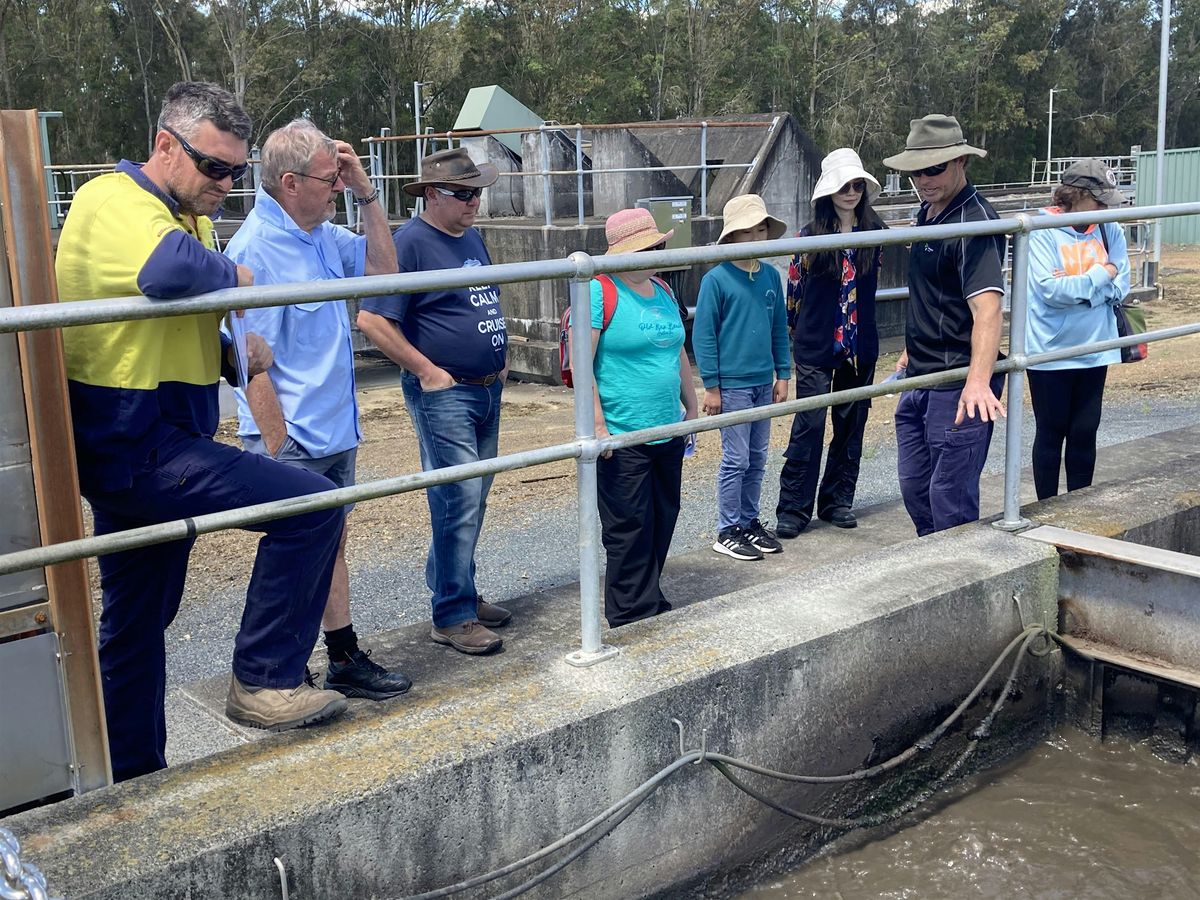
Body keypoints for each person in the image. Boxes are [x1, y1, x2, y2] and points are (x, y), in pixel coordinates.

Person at [55, 82, 347, 782]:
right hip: (137, 444)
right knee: (311, 506)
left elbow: (160, 313)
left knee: (137, 623)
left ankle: (132, 773)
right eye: (214, 168)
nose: (225, 185)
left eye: (236, 174)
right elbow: (166, 274)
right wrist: (240, 274)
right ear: (164, 146)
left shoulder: (192, 215)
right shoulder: (114, 199)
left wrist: (227, 351)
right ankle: (263, 679)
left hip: (160, 438)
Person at [223, 119, 410, 700]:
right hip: (294, 438)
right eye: (329, 179)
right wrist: (279, 451)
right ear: (289, 182)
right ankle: (277, 673)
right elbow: (250, 361)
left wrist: (367, 193)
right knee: (292, 552)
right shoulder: (255, 250)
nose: (336, 188)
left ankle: (341, 655)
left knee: (331, 546)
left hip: (334, 430)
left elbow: (386, 272)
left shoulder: (323, 234)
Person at [357, 148, 511, 655]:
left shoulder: (471, 237)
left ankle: (459, 592)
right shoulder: (409, 243)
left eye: (477, 192)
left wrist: (499, 356)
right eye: (463, 193)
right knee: (457, 498)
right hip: (447, 392)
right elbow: (374, 319)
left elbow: (482, 297)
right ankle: (451, 614)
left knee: (472, 496)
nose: (474, 202)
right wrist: (427, 371)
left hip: (486, 386)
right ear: (430, 194)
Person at [882, 114, 1007, 537]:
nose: (924, 179)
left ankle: (962, 584)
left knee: (949, 498)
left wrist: (978, 382)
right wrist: (911, 347)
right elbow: (933, 292)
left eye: (934, 168)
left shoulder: (974, 222)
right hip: (920, 374)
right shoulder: (929, 211)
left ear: (960, 163)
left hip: (957, 381)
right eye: (916, 170)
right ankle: (939, 569)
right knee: (915, 487)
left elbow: (988, 310)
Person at [590, 208, 699, 625]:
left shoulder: (665, 291)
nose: (654, 253)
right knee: (628, 525)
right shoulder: (599, 292)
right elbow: (584, 364)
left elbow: (677, 354)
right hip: (623, 430)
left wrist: (691, 404)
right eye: (645, 247)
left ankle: (648, 596)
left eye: (658, 245)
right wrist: (598, 426)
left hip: (667, 426)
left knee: (662, 516)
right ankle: (627, 611)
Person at [776, 149, 886, 538]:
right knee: (809, 424)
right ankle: (793, 507)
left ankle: (838, 500)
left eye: (857, 185)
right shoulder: (808, 237)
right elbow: (795, 290)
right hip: (816, 342)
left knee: (851, 422)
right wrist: (794, 336)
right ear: (829, 190)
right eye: (844, 185)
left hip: (860, 345)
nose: (851, 192)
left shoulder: (877, 233)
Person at [1025, 159, 1130, 500]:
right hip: (1051, 351)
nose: (1104, 209)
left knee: (1085, 431)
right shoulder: (1041, 229)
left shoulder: (1108, 227)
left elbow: (1123, 285)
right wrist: (1102, 275)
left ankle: (1080, 507)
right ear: (1077, 195)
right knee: (1051, 432)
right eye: (1099, 201)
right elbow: (1051, 292)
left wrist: (1081, 288)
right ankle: (1047, 508)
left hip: (1095, 347)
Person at [693, 194, 790, 560]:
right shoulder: (716, 279)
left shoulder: (769, 275)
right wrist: (712, 386)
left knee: (759, 455)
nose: (753, 237)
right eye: (744, 231)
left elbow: (779, 327)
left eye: (760, 229)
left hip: (764, 380)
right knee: (737, 458)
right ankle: (727, 527)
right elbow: (703, 335)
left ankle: (749, 520)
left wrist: (783, 372)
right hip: (732, 384)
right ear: (730, 237)